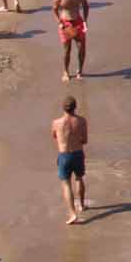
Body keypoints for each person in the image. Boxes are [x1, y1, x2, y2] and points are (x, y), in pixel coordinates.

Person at [51, 96, 88, 225]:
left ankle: (72, 214)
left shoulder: (56, 122)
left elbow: (54, 136)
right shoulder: (82, 121)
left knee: (66, 184)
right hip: (78, 153)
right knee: (79, 178)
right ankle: (82, 205)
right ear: (75, 107)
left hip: (64, 155)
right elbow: (85, 141)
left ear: (63, 108)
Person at [52, 0, 89, 81]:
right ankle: (66, 71)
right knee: (67, 50)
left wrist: (85, 20)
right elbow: (54, 9)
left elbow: (86, 6)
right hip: (66, 24)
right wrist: (59, 22)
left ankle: (80, 71)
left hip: (78, 22)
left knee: (81, 48)